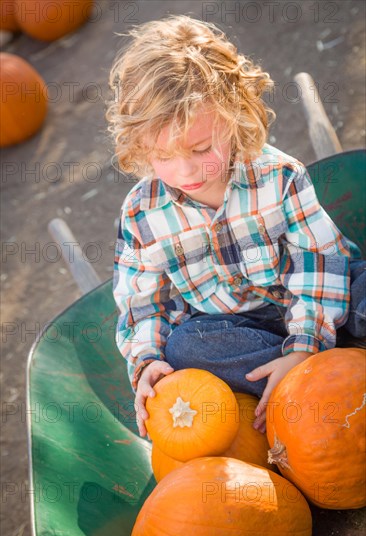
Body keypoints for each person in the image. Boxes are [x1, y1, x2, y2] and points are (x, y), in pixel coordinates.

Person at [106, 15, 365, 437]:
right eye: (163, 156)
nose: (185, 169)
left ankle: (316, 367)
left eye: (201, 147)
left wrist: (305, 344)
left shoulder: (277, 176)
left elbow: (317, 264)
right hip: (237, 331)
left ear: (234, 115)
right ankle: (315, 382)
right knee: (187, 346)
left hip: (318, 295)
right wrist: (147, 360)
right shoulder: (141, 214)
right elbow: (144, 305)